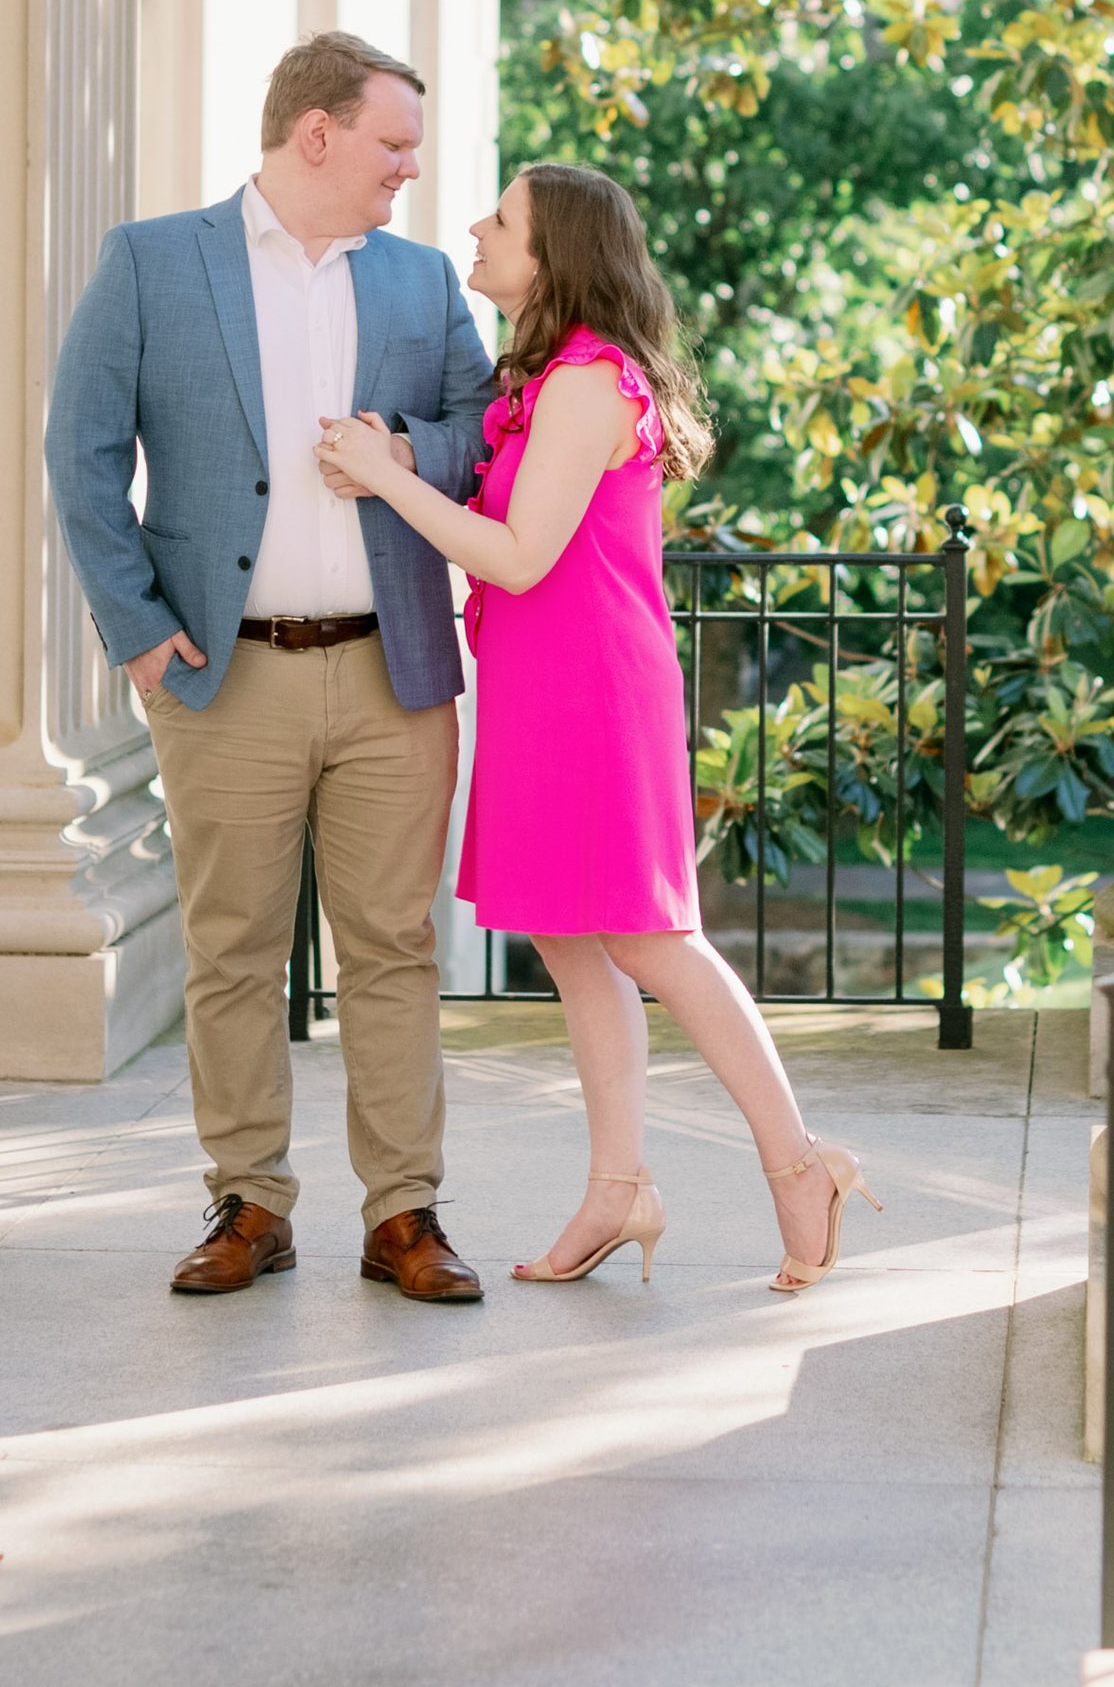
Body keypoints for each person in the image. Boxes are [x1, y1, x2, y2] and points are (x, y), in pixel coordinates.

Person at [317, 162, 879, 1293]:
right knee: (573, 943)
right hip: (541, 685)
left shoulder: (586, 384)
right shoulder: (547, 381)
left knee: (647, 938)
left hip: (592, 691)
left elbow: (518, 557)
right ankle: (618, 1191)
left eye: (502, 219)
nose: (475, 229)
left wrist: (382, 477)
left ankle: (800, 1162)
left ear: (555, 253)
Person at [46, 34, 497, 1304]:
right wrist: (134, 623)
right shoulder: (153, 261)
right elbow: (80, 452)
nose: (410, 170)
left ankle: (404, 1212)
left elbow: (476, 438)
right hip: (222, 676)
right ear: (316, 133)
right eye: (392, 144)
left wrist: (399, 445)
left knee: (394, 946)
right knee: (233, 946)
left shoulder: (416, 283)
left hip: (391, 671)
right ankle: (248, 1202)